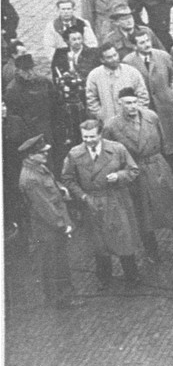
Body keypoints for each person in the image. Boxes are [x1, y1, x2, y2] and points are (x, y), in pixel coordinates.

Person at [103, 86, 173, 264]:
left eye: (134, 102)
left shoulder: (151, 116)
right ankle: (152, 252)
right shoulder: (112, 126)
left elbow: (163, 142)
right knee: (143, 215)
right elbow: (110, 154)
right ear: (120, 104)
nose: (132, 107)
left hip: (158, 168)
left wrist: (169, 166)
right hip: (136, 173)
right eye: (127, 103)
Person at [61, 118, 142, 289]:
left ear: (101, 134)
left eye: (92, 137)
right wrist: (82, 196)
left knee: (123, 238)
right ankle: (104, 278)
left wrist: (119, 176)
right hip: (91, 201)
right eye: (85, 137)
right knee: (99, 242)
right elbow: (67, 179)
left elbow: (133, 170)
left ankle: (131, 275)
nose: (89, 141)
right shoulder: (74, 154)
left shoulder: (117, 149)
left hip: (116, 199)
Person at [17, 134, 78, 307]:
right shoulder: (30, 178)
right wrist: (62, 225)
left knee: (57, 261)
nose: (45, 155)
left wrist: (61, 189)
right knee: (55, 263)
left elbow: (50, 185)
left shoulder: (38, 168)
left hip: (51, 225)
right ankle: (62, 299)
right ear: (30, 155)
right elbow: (44, 207)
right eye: (41, 153)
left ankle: (60, 296)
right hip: (48, 228)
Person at [122, 26, 173, 169]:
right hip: (147, 108)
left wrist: (172, 95)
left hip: (167, 107)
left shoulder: (162, 56)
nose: (147, 44)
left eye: (148, 40)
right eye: (142, 42)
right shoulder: (128, 62)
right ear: (135, 46)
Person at [52, 26, 100, 150]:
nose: (77, 42)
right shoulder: (60, 54)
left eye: (79, 38)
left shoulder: (92, 54)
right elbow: (55, 74)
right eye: (73, 39)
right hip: (68, 99)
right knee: (71, 125)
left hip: (86, 95)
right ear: (67, 41)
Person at [85, 44, 136, 125]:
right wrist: (101, 115)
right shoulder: (94, 75)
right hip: (108, 122)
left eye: (115, 55)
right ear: (102, 60)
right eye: (109, 57)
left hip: (132, 121)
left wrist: (136, 112)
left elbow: (142, 94)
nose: (114, 59)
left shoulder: (131, 72)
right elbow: (91, 99)